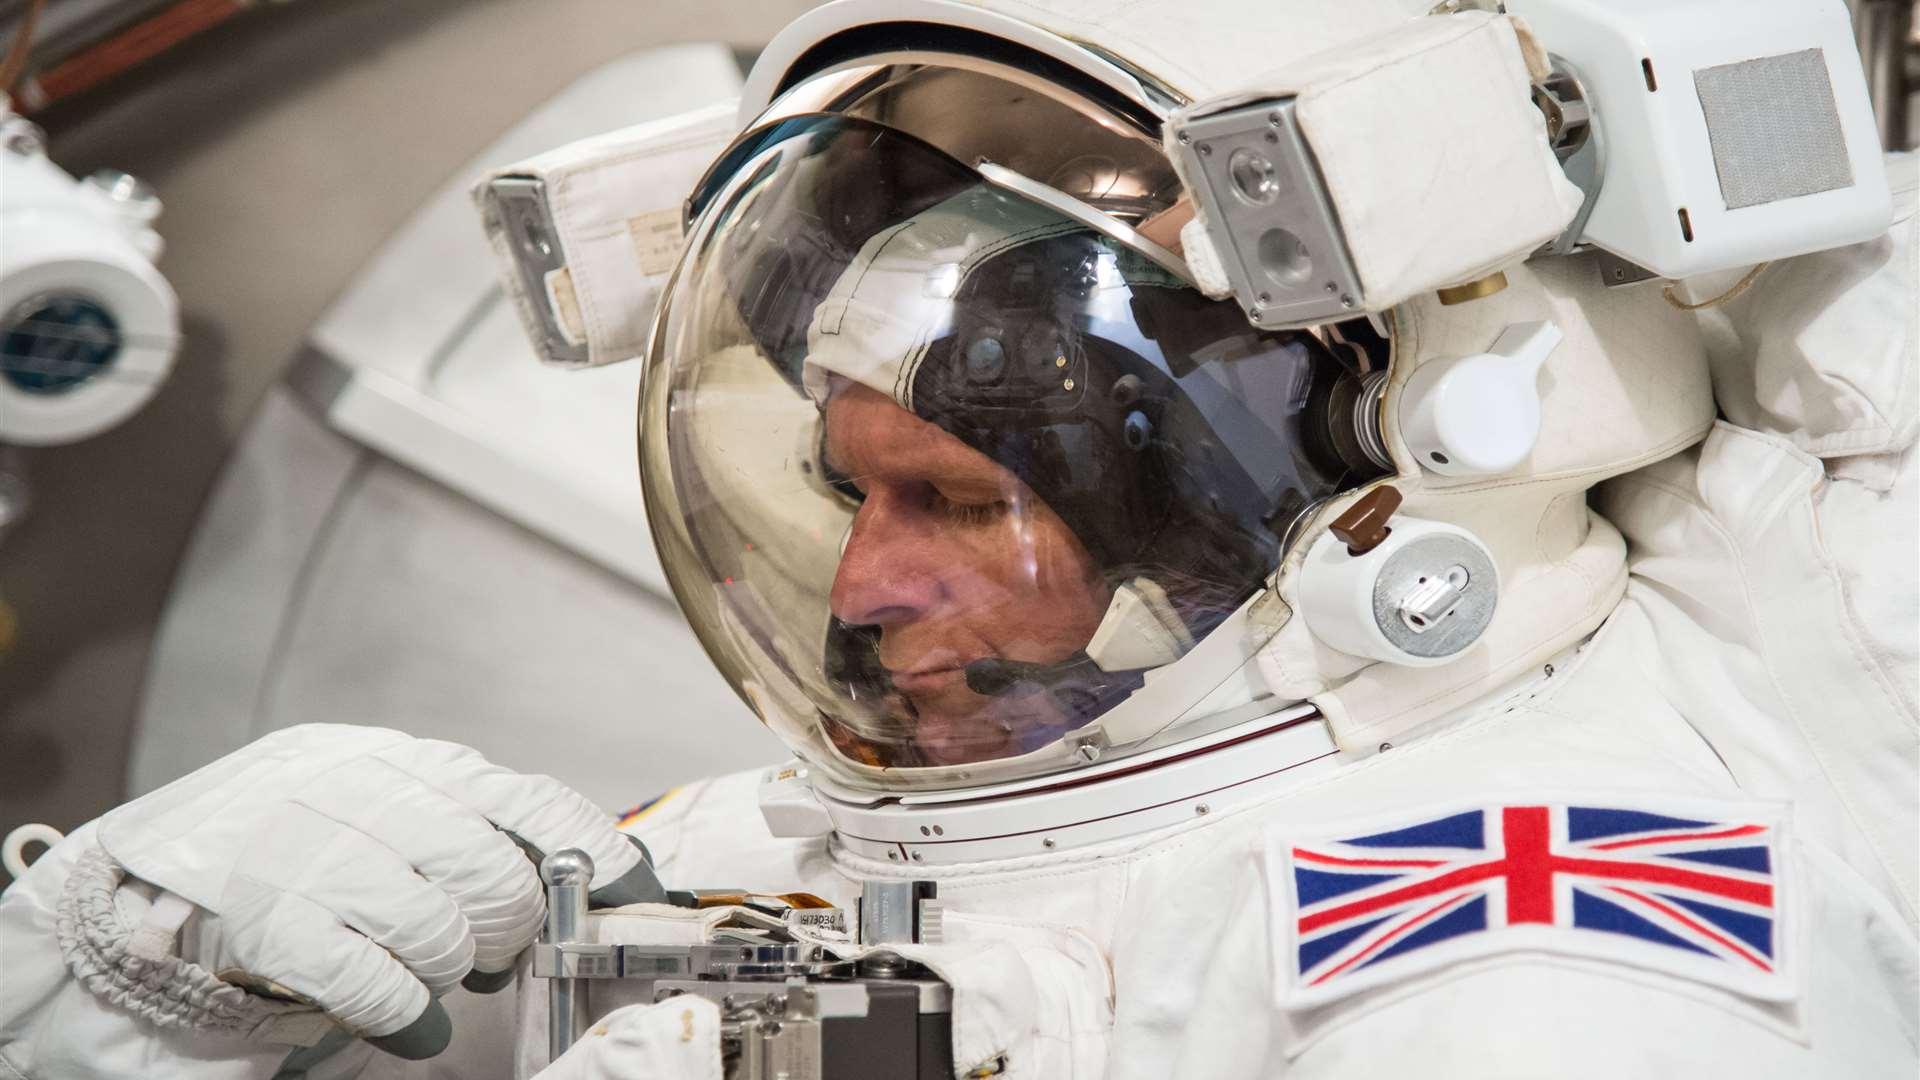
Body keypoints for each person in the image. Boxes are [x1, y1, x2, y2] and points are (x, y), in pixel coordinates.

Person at [3, 1, 1915, 1077]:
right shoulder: (971, 833)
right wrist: (133, 979)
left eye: (957, 505)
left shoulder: (1524, 979)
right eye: (857, 491)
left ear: (1353, 508)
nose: (862, 591)